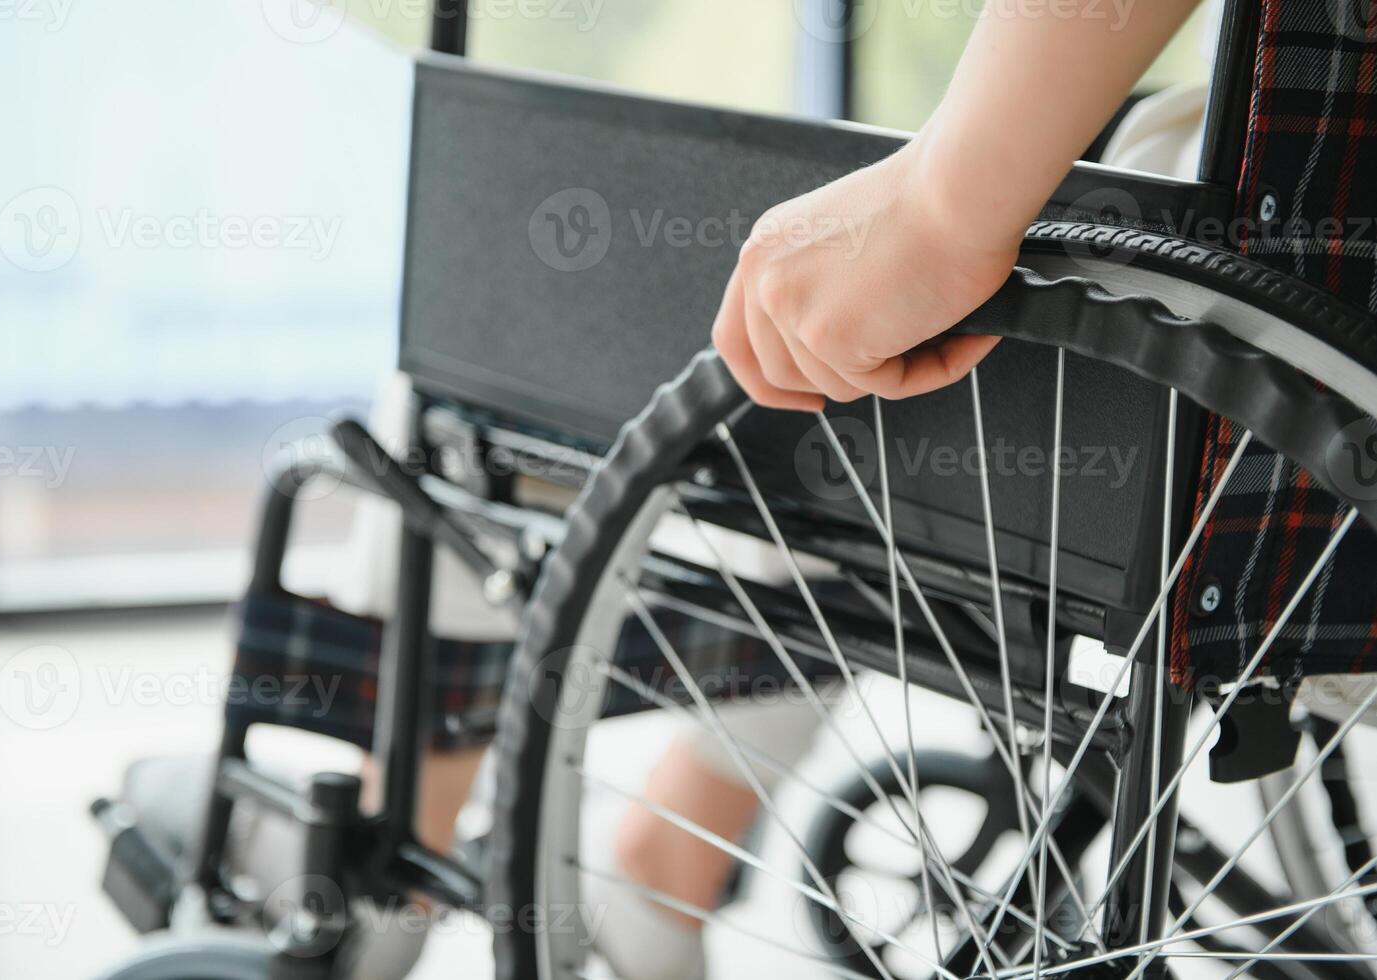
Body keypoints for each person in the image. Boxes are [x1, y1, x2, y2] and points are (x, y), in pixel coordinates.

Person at [344, 0, 1377, 975]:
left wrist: (942, 200)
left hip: (1256, 319)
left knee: (576, 314)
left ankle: (379, 873)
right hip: (1293, 346)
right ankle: (662, 857)